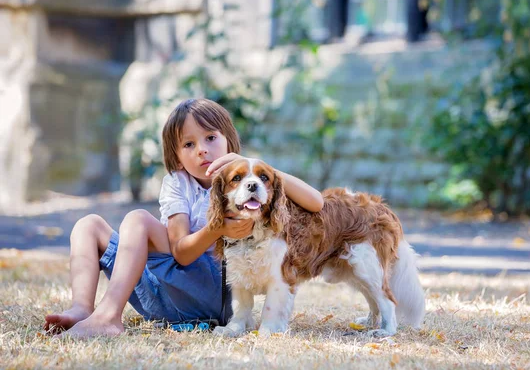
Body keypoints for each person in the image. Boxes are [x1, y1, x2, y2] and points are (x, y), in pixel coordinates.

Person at [44, 98, 324, 338]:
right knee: (88, 225)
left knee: (138, 220)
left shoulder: (243, 184)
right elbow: (181, 253)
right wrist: (218, 228)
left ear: (230, 144)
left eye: (210, 138)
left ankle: (108, 317)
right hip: (164, 295)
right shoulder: (178, 184)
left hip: (217, 294)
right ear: (177, 158)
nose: (201, 149)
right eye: (189, 144)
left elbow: (316, 201)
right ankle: (82, 308)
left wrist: (265, 171)